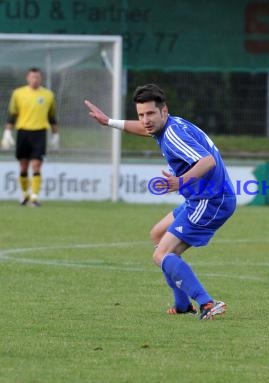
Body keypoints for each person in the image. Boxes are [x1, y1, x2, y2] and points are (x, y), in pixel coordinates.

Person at [84, 84, 236, 320]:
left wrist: (180, 182)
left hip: (211, 200)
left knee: (160, 254)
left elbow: (207, 162)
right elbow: (144, 130)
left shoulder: (174, 135)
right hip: (201, 197)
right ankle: (182, 304)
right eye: (141, 114)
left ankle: (207, 303)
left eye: (150, 114)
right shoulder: (167, 125)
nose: (145, 120)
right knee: (157, 234)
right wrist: (109, 122)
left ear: (164, 110)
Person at [1, 67, 60, 207]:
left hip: (39, 132)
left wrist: (55, 134)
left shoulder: (48, 95)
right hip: (23, 132)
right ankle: (24, 195)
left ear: (41, 78)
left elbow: (52, 117)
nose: (35, 80)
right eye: (32, 77)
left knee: (37, 165)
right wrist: (7, 133)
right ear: (28, 78)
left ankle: (34, 196)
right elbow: (12, 115)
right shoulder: (18, 93)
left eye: (37, 77)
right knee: (23, 166)